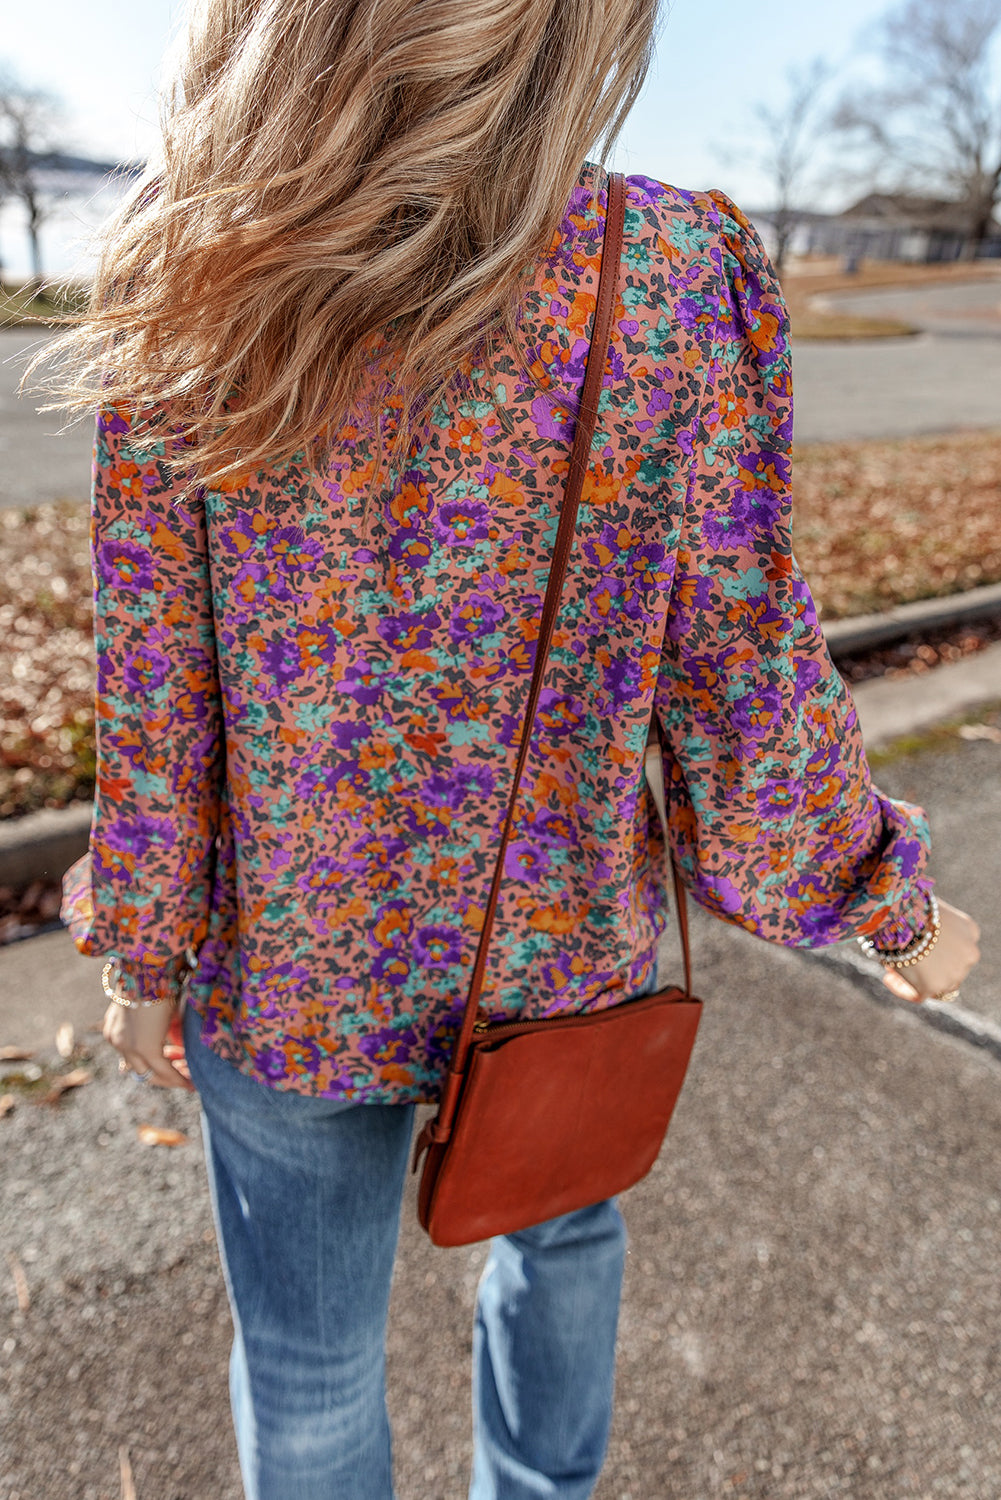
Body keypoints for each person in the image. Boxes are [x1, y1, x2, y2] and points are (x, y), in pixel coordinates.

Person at [36, 1, 979, 1496]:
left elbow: (160, 676)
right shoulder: (664, 276)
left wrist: (144, 945)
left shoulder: (196, 254)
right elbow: (738, 664)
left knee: (306, 1366)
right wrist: (885, 902)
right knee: (564, 1233)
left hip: (288, 954)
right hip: (553, 941)